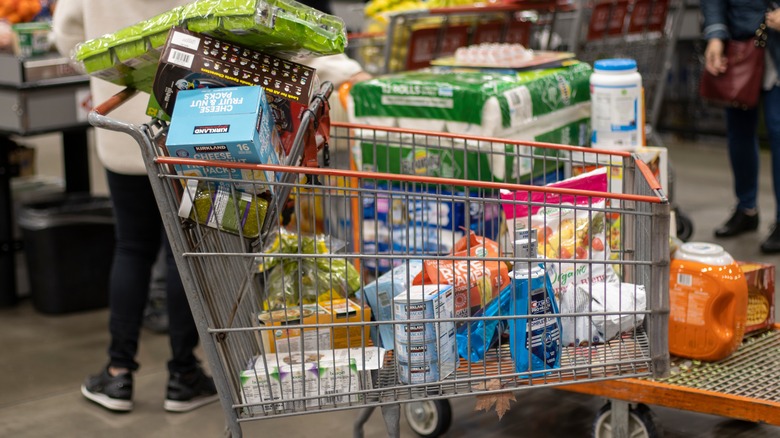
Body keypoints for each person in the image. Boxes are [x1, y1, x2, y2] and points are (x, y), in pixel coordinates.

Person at [53, 0, 218, 413]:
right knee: (182, 251)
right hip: (189, 119)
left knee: (131, 246)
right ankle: (183, 374)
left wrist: (110, 73)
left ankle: (117, 374)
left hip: (119, 121)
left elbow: (66, 34)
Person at [702, 1, 780, 253]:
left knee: (778, 130)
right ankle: (746, 209)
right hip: (741, 44)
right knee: (739, 133)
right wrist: (715, 35)